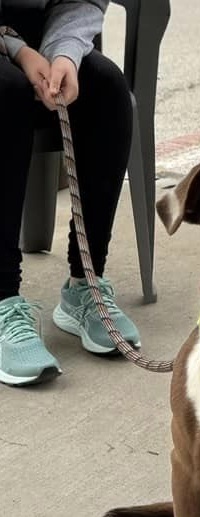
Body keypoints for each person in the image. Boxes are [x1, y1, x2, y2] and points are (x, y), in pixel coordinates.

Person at [0, 0, 140, 387]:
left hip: (43, 37)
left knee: (109, 91)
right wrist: (20, 51)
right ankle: (2, 298)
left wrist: (64, 54)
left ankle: (86, 285)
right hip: (12, 56)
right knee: (5, 93)